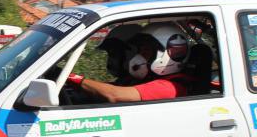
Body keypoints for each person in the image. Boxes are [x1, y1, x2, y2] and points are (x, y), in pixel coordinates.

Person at [67, 22, 196, 103]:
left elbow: (113, 95)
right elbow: (113, 88)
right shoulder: (147, 79)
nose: (139, 56)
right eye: (139, 50)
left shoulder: (168, 87)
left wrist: (73, 78)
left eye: (146, 51)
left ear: (169, 54)